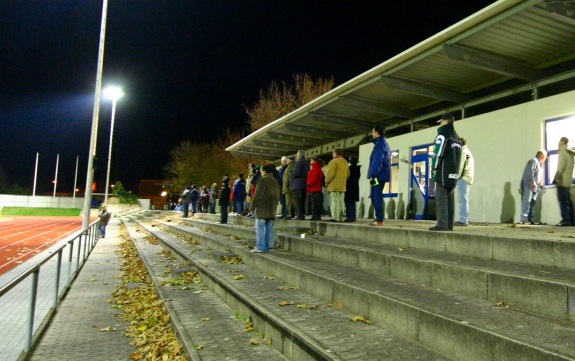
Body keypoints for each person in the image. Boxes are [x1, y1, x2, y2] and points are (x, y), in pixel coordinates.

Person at [429, 113, 462, 231]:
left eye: (441, 122)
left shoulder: (443, 135)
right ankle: (449, 225)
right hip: (453, 172)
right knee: (450, 199)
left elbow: (437, 153)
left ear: (445, 122)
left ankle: (442, 224)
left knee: (441, 199)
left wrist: (434, 168)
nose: (440, 124)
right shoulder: (457, 138)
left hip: (442, 172)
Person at [250, 164, 281, 253]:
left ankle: (260, 247)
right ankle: (266, 247)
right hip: (272, 208)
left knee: (259, 227)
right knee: (268, 228)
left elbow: (258, 194)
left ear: (264, 171)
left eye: (261, 171)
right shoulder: (275, 181)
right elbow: (278, 194)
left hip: (262, 207)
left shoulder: (263, 180)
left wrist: (252, 206)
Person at [368, 124, 392, 226]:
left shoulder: (380, 145)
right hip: (378, 175)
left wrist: (373, 173)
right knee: (374, 195)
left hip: (378, 175)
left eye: (373, 132)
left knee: (376, 195)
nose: (372, 134)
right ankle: (379, 217)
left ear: (377, 133)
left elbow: (378, 160)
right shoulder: (381, 144)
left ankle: (380, 219)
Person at [519, 150, 547, 225]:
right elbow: (529, 172)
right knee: (527, 202)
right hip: (529, 185)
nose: (546, 157)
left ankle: (531, 219)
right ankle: (524, 218)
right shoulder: (534, 161)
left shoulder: (539, 164)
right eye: (545, 156)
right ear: (541, 155)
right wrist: (532, 182)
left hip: (534, 186)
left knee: (532, 203)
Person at [554, 137, 575, 226]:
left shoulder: (562, 150)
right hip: (568, 180)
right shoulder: (570, 152)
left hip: (562, 180)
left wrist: (556, 177)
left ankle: (565, 219)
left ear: (563, 142)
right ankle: (572, 220)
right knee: (568, 201)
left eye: (559, 141)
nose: (558, 143)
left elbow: (561, 165)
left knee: (562, 200)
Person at [325, 148, 349, 222]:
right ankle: (340, 217)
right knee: (341, 202)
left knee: (334, 201)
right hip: (342, 185)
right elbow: (348, 174)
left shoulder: (333, 161)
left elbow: (330, 174)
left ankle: (335, 217)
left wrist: (326, 182)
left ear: (335, 153)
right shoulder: (345, 162)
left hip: (334, 185)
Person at [454, 138, 474, 226]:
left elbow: (461, 166)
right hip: (468, 178)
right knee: (463, 199)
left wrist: (456, 177)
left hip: (463, 178)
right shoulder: (468, 152)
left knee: (462, 199)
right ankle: (464, 219)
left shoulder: (463, 152)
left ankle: (463, 220)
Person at [290, 150, 310, 220]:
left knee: (297, 201)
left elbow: (295, 173)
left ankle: (299, 215)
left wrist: (291, 173)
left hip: (297, 185)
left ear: (299, 155)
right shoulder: (307, 163)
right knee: (302, 201)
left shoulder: (298, 162)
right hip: (304, 184)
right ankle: (302, 214)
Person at [307, 157, 324, 221]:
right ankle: (317, 216)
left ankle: (315, 216)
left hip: (314, 189)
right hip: (317, 189)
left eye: (311, 160)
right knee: (317, 204)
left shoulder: (315, 169)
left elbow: (313, 180)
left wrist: (308, 184)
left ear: (314, 161)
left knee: (314, 204)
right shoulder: (318, 168)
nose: (310, 162)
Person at [345, 156, 361, 222]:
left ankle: (350, 217)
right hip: (355, 187)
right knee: (353, 203)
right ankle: (353, 217)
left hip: (349, 187)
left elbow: (347, 178)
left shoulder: (350, 168)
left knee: (348, 203)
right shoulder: (358, 169)